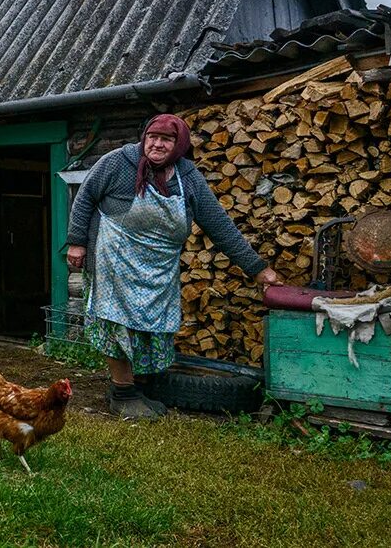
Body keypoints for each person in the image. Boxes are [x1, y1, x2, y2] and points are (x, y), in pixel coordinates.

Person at [65, 114, 280, 420]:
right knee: (117, 325)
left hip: (157, 267)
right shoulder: (117, 162)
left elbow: (218, 223)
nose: (157, 144)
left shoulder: (186, 176)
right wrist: (76, 242)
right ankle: (122, 394)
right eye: (152, 137)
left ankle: (136, 389)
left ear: (179, 145)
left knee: (148, 328)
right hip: (113, 259)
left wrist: (257, 268)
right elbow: (84, 198)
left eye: (166, 139)